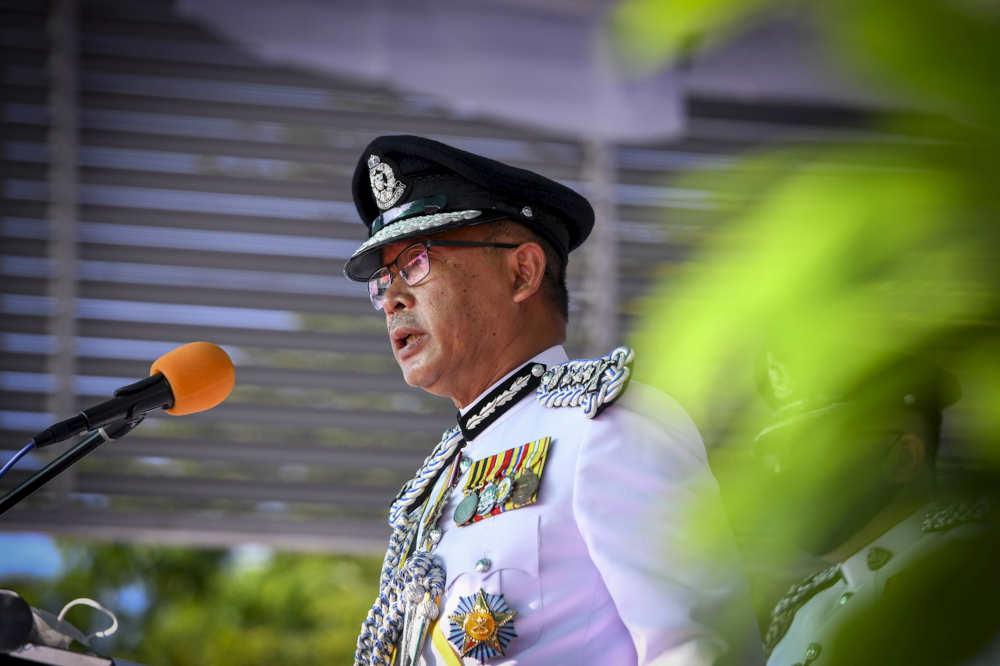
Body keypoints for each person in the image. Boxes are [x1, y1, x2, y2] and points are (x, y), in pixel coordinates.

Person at [342, 135, 762, 666]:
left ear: (522, 272)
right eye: (384, 279)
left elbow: (700, 649)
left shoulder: (605, 426)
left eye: (417, 262)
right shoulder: (440, 477)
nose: (393, 298)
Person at [753, 343, 1000, 666]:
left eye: (815, 453)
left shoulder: (978, 576)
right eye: (783, 460)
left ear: (904, 457)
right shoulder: (797, 614)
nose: (790, 477)